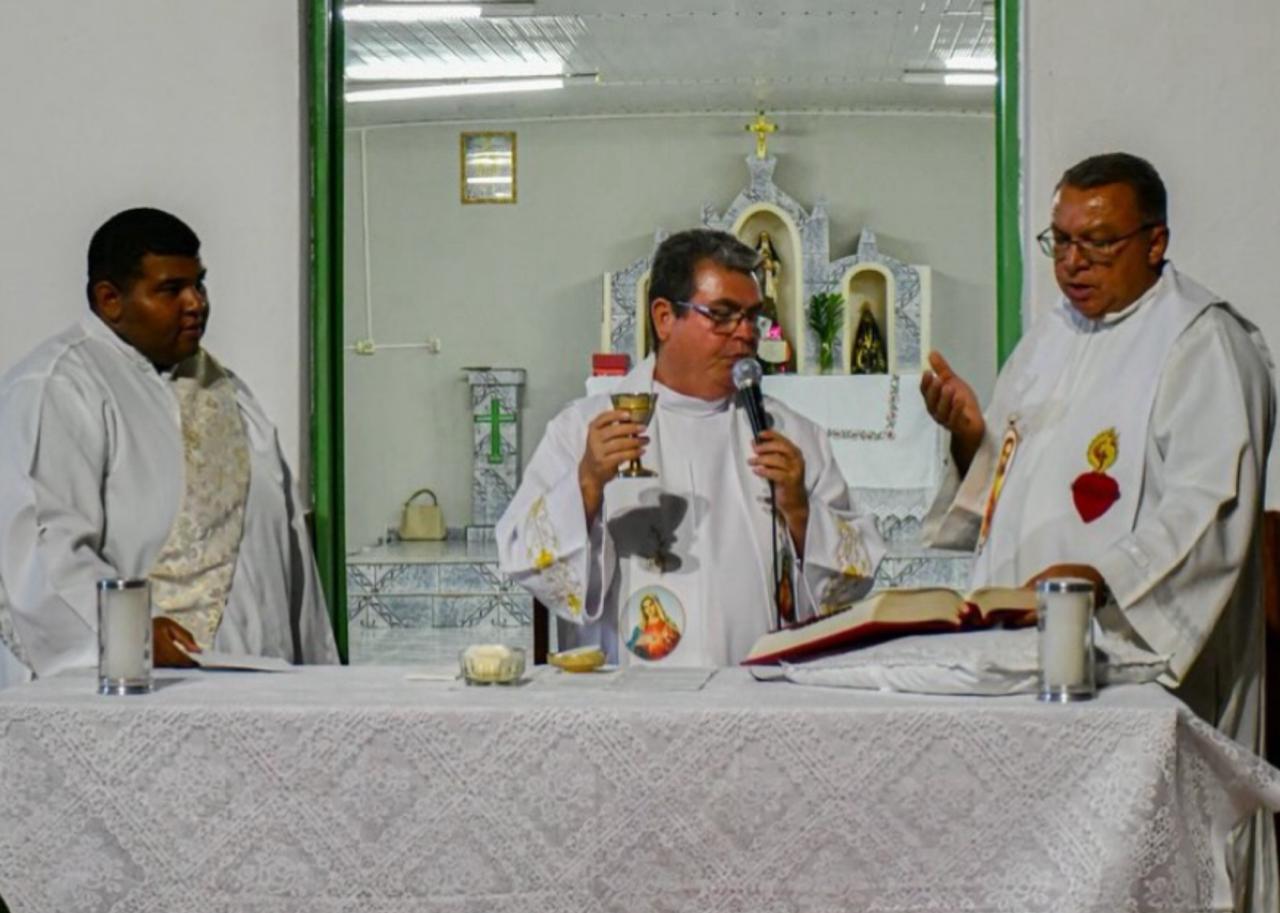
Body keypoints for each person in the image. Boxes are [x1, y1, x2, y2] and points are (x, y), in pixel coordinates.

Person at [920, 153, 1275, 907]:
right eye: (1061, 241)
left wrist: (1107, 575)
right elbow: (1006, 488)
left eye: (1099, 242)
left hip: (1134, 664)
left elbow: (1210, 505)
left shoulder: (1204, 342)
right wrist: (966, 437)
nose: (1074, 264)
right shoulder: (1049, 339)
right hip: (1034, 669)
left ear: (1156, 241)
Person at [497, 228, 885, 667]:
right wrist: (586, 484)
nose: (745, 334)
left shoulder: (793, 437)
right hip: (631, 703)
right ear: (664, 317)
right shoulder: (582, 430)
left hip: (760, 697)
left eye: (752, 316)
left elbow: (856, 579)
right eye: (722, 315)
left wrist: (799, 512)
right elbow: (521, 556)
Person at [0, 207, 338, 686]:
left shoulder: (228, 392)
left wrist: (316, 680)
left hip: (263, 687)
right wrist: (128, 635)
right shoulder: (59, 387)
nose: (195, 302)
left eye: (198, 284)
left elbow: (287, 553)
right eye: (170, 289)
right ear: (110, 299)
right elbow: (42, 551)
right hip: (140, 691)